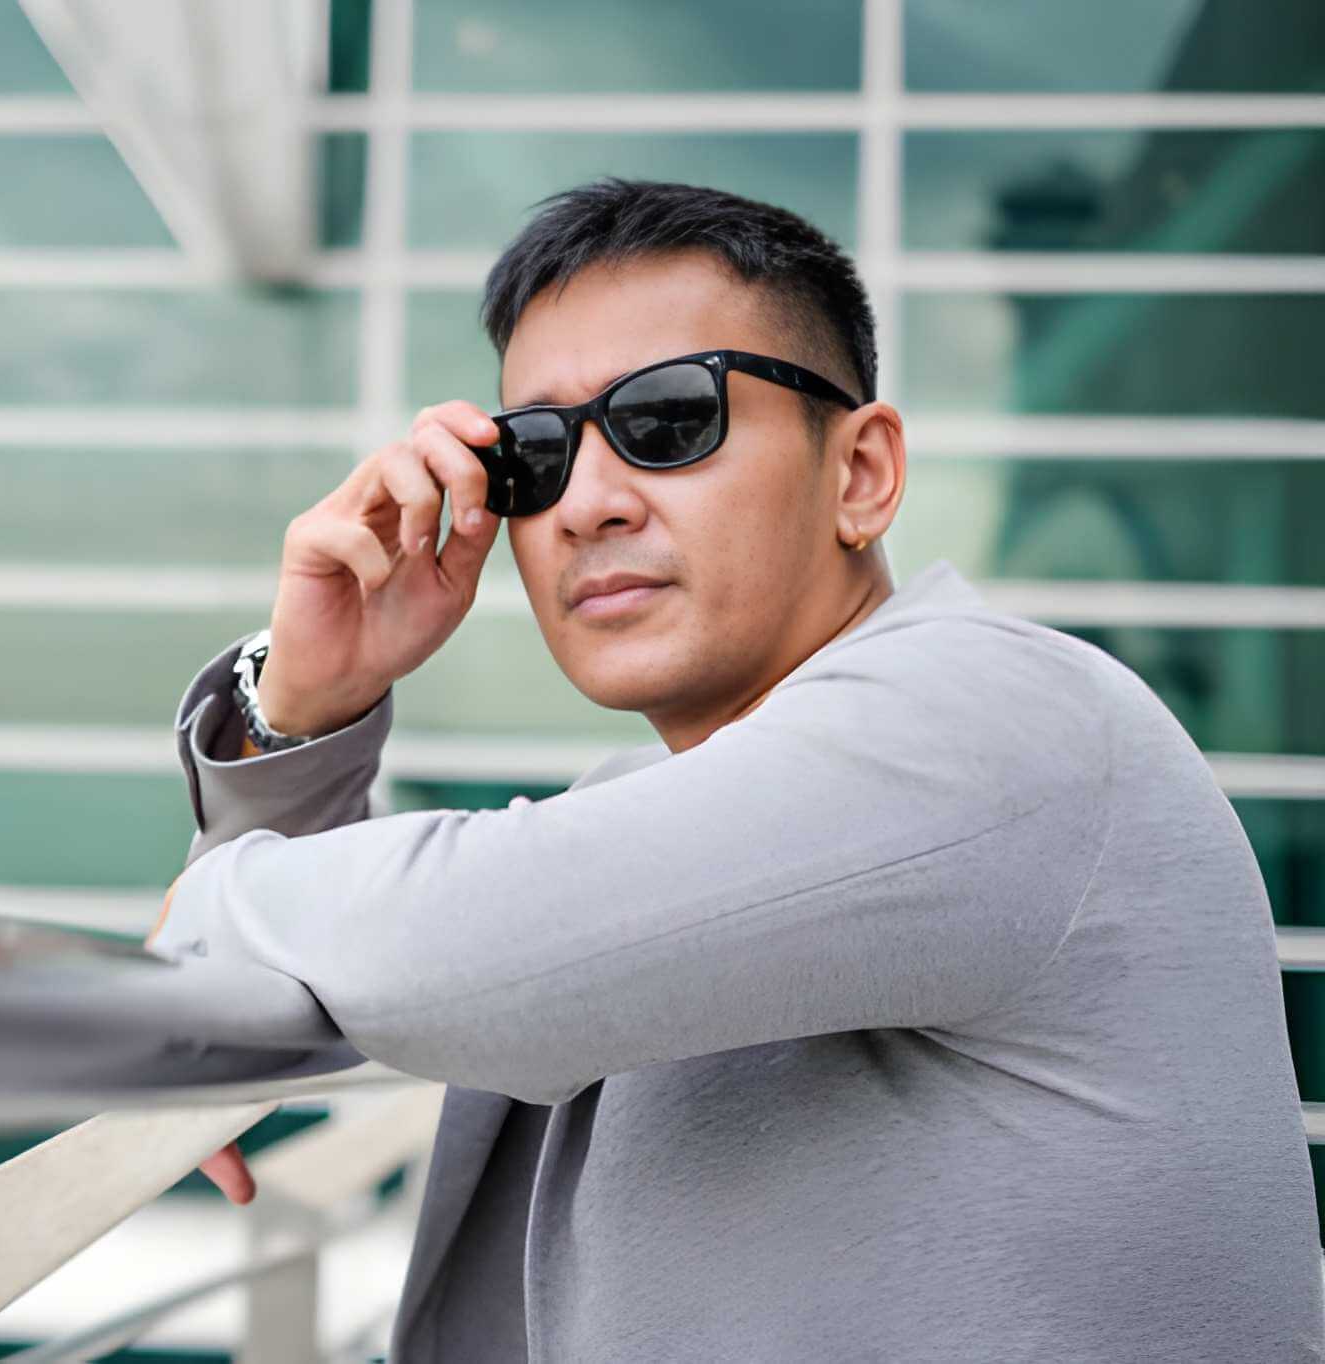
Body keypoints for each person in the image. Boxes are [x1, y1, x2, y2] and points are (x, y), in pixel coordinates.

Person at [143, 177, 1324, 1360]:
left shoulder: (999, 722)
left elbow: (448, 955)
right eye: (532, 458)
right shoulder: (652, 809)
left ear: (858, 472)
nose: (586, 504)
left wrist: (210, 915)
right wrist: (307, 705)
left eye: (667, 419)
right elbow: (377, 958)